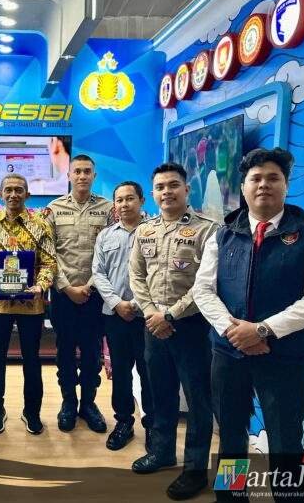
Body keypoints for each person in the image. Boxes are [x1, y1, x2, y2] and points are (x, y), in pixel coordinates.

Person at [193, 148, 304, 503]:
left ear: (286, 185)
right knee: (231, 437)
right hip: (229, 355)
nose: (263, 185)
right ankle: (232, 496)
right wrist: (234, 332)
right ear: (243, 187)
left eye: (273, 178)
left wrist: (261, 330)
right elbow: (203, 290)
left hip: (285, 357)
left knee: (285, 442)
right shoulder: (222, 235)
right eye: (255, 178)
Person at [129, 162, 217, 500]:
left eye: (173, 185)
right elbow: (136, 275)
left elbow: (206, 283)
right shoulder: (145, 231)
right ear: (153, 193)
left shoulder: (207, 230)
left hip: (191, 326)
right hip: (153, 326)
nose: (167, 191)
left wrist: (171, 315)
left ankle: (195, 468)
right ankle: (162, 451)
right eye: (160, 187)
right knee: (160, 392)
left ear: (186, 189)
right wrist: (153, 313)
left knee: (197, 399)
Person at [0, 173, 57, 435]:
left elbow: (49, 263)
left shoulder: (40, 225)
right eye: (8, 190)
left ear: (27, 194)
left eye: (19, 190)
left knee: (32, 360)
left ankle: (32, 413)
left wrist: (41, 286)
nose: (13, 194)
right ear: (0, 194)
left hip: (31, 304)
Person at [44, 154, 112, 433]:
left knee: (92, 353)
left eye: (87, 171)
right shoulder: (54, 208)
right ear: (69, 175)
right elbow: (48, 252)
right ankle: (68, 403)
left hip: (95, 295)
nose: (82, 176)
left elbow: (109, 253)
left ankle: (88, 404)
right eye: (77, 171)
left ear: (94, 175)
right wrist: (66, 287)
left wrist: (91, 285)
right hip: (63, 295)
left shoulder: (108, 209)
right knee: (65, 352)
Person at [92, 181, 154, 452]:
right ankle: (123, 422)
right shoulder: (106, 236)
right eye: (119, 200)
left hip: (147, 317)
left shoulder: (154, 232)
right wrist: (117, 303)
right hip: (115, 315)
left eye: (130, 198)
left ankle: (153, 426)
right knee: (120, 371)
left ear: (141, 200)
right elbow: (98, 273)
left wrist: (136, 304)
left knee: (149, 371)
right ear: (114, 205)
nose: (124, 204)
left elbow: (159, 274)